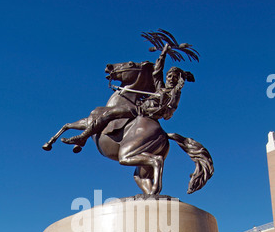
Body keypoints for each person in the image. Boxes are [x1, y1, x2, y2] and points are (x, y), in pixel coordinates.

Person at [62, 43, 194, 151]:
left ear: (178, 80)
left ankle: (82, 137)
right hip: (140, 108)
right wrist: (163, 53)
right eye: (169, 76)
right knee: (108, 112)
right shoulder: (160, 87)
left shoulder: (175, 93)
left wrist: (172, 96)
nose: (171, 79)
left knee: (110, 113)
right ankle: (84, 136)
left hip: (143, 113)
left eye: (174, 77)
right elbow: (157, 71)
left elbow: (169, 113)